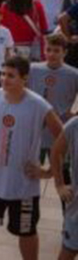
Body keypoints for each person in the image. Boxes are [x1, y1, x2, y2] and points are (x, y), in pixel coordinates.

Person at [0, 56, 63, 260]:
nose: (4, 79)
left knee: (26, 232)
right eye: (2, 74)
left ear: (24, 78)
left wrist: (48, 172)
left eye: (11, 75)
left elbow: (63, 138)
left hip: (24, 186)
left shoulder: (39, 105)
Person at [29, 33, 78, 166]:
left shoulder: (73, 74)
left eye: (56, 51)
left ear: (65, 52)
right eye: (48, 50)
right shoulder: (33, 69)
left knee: (62, 172)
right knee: (29, 173)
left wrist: (74, 116)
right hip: (35, 131)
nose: (51, 54)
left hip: (61, 131)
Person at [50, 107, 78, 259]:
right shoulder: (74, 125)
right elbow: (56, 152)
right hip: (76, 211)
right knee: (67, 252)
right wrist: (59, 185)